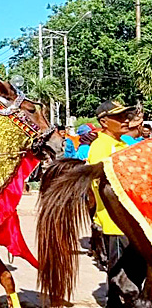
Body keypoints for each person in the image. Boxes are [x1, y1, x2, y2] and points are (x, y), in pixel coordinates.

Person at [87, 100, 145, 307]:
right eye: (119, 117)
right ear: (104, 121)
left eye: (125, 116)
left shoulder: (124, 144)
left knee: (135, 269)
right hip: (116, 219)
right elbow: (104, 184)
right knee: (119, 270)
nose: (125, 120)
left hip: (134, 217)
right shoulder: (99, 146)